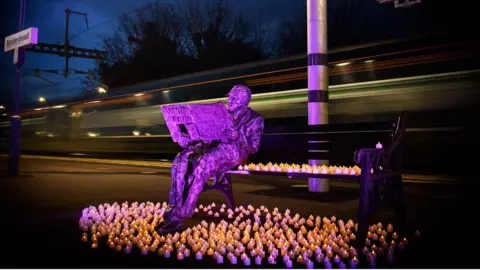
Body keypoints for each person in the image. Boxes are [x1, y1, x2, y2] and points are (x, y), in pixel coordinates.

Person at [158, 85, 264, 233]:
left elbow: (254, 146)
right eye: (229, 96)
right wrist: (188, 139)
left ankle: (178, 216)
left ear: (244, 101)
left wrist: (239, 136)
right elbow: (207, 136)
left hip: (233, 151)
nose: (229, 99)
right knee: (180, 159)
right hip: (213, 146)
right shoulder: (221, 113)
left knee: (202, 163)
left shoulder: (255, 119)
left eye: (233, 98)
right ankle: (171, 210)